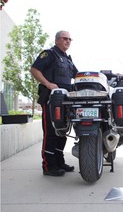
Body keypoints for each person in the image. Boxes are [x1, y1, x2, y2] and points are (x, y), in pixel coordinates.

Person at [30, 30, 78, 176]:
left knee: (61, 132)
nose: (68, 41)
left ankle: (59, 162)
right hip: (51, 100)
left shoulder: (68, 60)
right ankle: (48, 166)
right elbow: (34, 69)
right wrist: (48, 84)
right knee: (51, 133)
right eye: (65, 38)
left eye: (70, 39)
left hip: (65, 102)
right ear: (57, 40)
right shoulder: (49, 54)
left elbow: (79, 75)